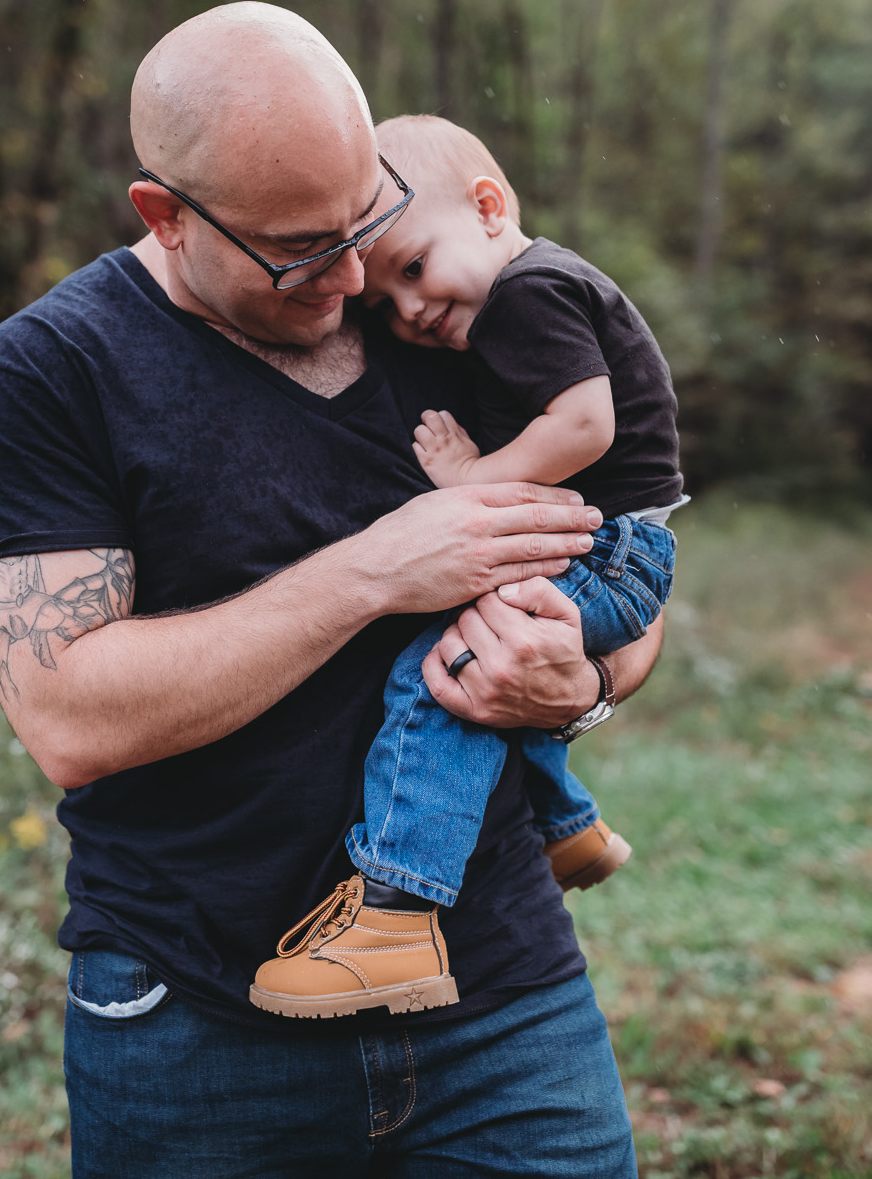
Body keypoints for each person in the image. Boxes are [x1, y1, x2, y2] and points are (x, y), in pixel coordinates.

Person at [0, 2, 651, 1176]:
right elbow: (71, 717)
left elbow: (626, 584)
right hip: (196, 1024)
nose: (359, 275)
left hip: (504, 1003)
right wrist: (378, 570)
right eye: (302, 251)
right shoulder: (49, 375)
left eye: (362, 220)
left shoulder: (448, 312)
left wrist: (584, 677)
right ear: (165, 216)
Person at [248, 116, 685, 1020]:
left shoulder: (528, 293)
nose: (405, 309)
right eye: (384, 301)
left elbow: (586, 428)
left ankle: (399, 917)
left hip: (607, 549)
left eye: (411, 268)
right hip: (624, 545)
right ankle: (568, 830)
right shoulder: (537, 289)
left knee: (445, 672)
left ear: (489, 208)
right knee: (499, 671)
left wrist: (468, 481)